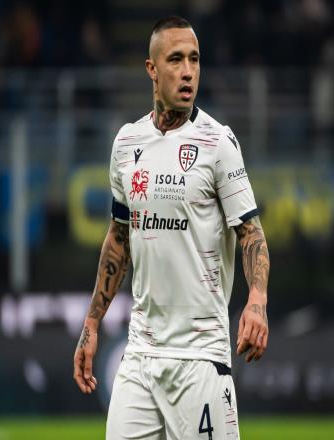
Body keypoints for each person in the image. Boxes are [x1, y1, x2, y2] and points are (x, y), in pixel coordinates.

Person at [73, 16, 270, 440]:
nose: (188, 71)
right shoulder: (127, 143)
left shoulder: (218, 143)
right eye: (176, 59)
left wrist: (257, 300)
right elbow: (118, 239)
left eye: (194, 60)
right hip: (140, 354)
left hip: (200, 357)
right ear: (152, 68)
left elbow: (251, 233)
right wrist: (91, 323)